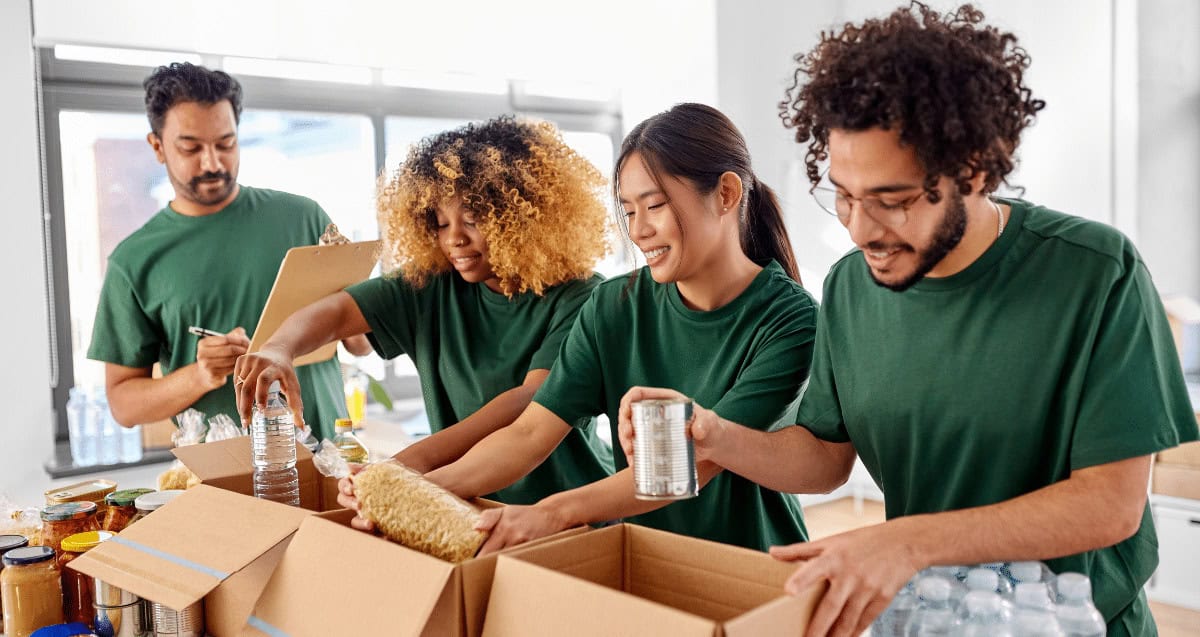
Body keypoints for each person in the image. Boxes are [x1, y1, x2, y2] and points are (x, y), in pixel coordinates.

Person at [619, 5, 1199, 636]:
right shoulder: (849, 288)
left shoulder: (1093, 273)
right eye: (842, 195)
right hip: (930, 619)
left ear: (974, 169)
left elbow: (1108, 506)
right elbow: (824, 456)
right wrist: (717, 436)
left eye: (890, 201)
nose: (861, 229)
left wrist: (909, 542)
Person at [339, 103, 820, 554]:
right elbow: (528, 436)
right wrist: (406, 490)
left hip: (756, 560)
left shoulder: (788, 318)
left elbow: (691, 461)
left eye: (654, 206)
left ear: (727, 194)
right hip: (645, 557)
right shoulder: (615, 304)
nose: (638, 230)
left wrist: (552, 512)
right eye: (628, 211)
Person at [234, 117, 615, 504]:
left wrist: (407, 467)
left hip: (565, 508)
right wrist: (279, 348)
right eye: (440, 222)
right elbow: (334, 312)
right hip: (466, 506)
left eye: (473, 219)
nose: (455, 239)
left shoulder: (581, 296)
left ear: (522, 217)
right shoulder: (432, 285)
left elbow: (528, 401)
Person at [88, 62, 369, 442]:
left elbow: (362, 344)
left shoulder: (303, 217)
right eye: (191, 148)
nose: (213, 163)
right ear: (157, 147)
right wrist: (199, 375)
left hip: (328, 463)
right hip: (221, 479)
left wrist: (351, 294)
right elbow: (124, 404)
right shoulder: (134, 261)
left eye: (226, 144)